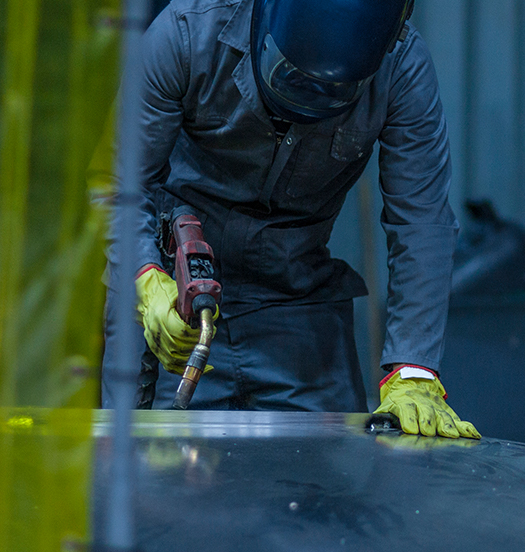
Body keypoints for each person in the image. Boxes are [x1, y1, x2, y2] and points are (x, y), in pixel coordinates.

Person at [100, 0, 480, 440]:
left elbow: (421, 219)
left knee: (331, 491)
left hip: (297, 307)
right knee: (150, 489)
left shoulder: (402, 68)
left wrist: (415, 370)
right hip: (177, 305)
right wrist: (145, 279)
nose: (307, 98)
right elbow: (120, 183)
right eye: (292, 73)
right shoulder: (187, 32)